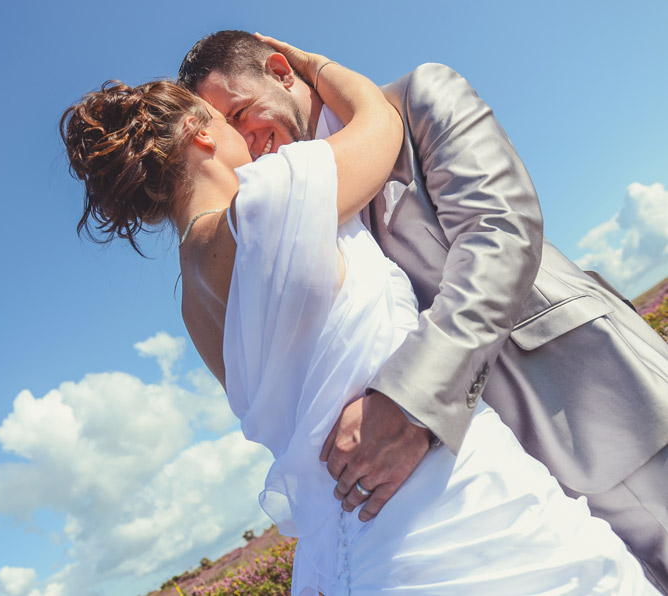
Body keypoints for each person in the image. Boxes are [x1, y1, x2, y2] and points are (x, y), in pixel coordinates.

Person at [60, 39, 659, 595]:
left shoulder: (193, 298)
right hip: (457, 506)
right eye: (227, 122)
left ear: (276, 69)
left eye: (240, 111)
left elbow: (501, 232)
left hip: (574, 422)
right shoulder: (272, 199)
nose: (249, 137)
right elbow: (379, 125)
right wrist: (320, 65)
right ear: (200, 134)